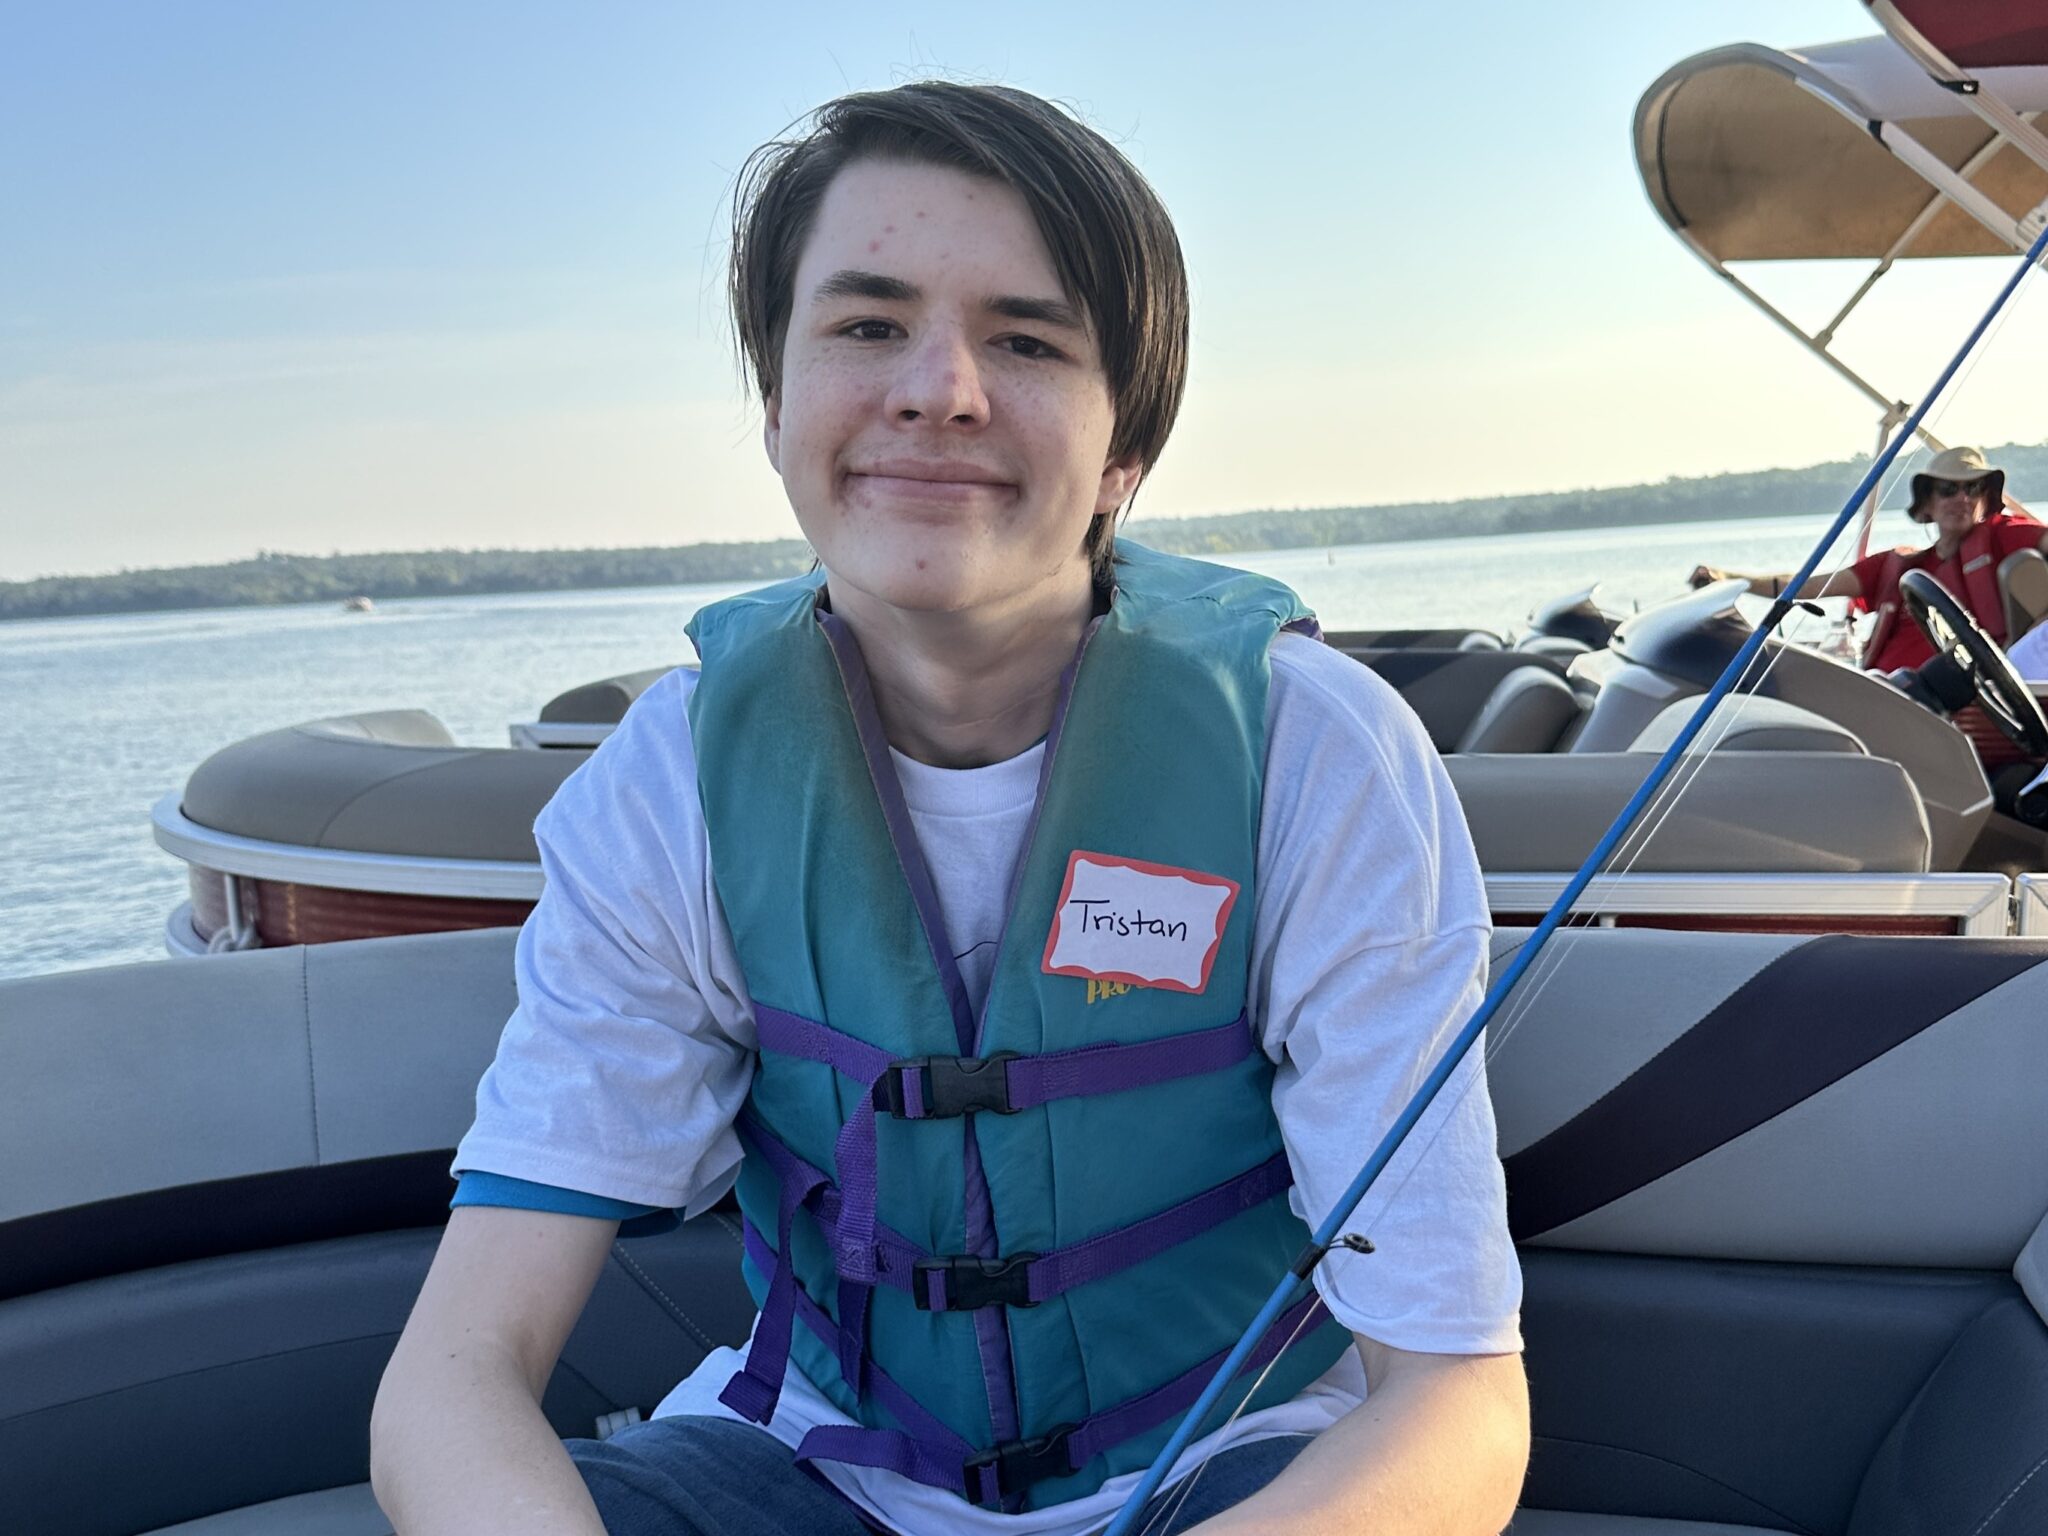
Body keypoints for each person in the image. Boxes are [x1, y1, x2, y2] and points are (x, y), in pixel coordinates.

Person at [370, 82, 1528, 1536]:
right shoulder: (668, 787)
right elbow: (457, 1374)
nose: (939, 390)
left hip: (1229, 1466)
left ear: (1124, 453)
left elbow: (1458, 1400)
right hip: (806, 1467)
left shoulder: (1315, 755)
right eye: (867, 327)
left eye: (1027, 341)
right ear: (775, 402)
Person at [1690, 446, 2046, 674]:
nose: (1962, 498)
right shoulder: (1897, 565)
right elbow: (1807, 587)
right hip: (1885, 691)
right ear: (1927, 502)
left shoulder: (2003, 535)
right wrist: (1729, 579)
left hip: (1957, 706)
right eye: (1948, 489)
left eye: (1973, 488)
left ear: (1985, 497)